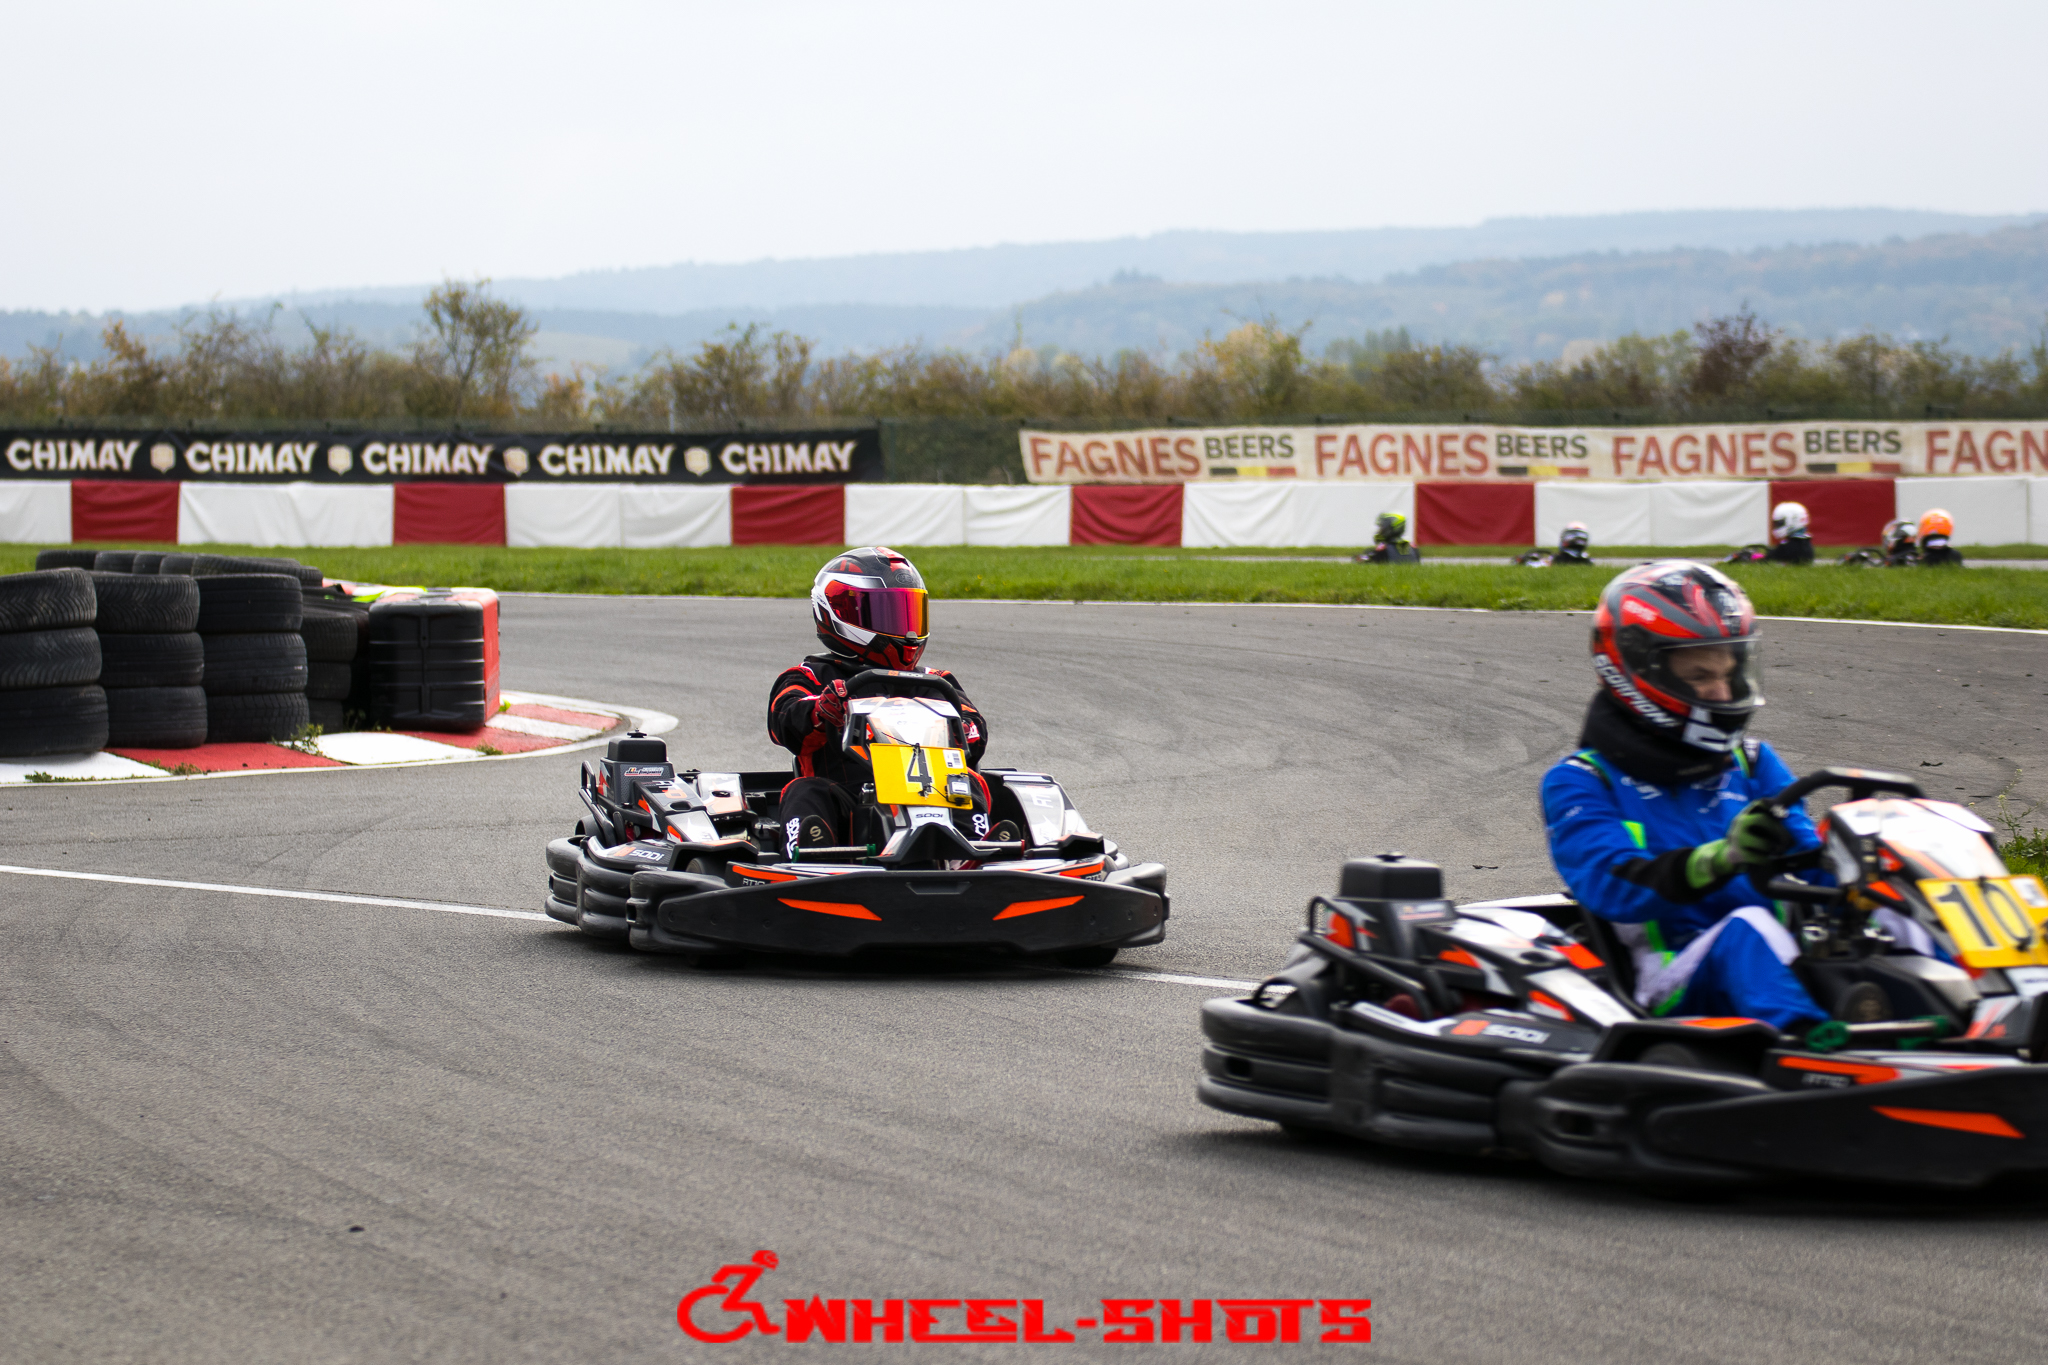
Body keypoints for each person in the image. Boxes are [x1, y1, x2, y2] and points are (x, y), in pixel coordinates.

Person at [1540, 561, 1829, 1033]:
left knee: (1888, 899)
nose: (1722, 692)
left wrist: (1867, 864)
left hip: (1782, 950)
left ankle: (1958, 1011)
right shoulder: (1582, 781)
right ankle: (1811, 1048)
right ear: (1636, 672)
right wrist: (1721, 858)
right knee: (1749, 926)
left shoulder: (1752, 762)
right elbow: (1614, 887)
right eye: (1699, 675)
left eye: (1729, 672)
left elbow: (1809, 856)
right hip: (1670, 977)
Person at [767, 547, 995, 853]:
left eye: (908, 612)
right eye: (887, 613)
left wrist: (963, 729)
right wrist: (821, 711)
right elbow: (784, 719)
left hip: (934, 791)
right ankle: (810, 851)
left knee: (969, 780)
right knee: (804, 790)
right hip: (849, 797)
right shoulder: (811, 676)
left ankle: (971, 852)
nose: (905, 629)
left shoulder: (935, 682)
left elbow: (974, 730)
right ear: (838, 613)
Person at [1356, 511, 1421, 564]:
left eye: (1382, 528)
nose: (1380, 530)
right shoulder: (1413, 548)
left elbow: (1367, 561)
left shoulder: (1384, 549)